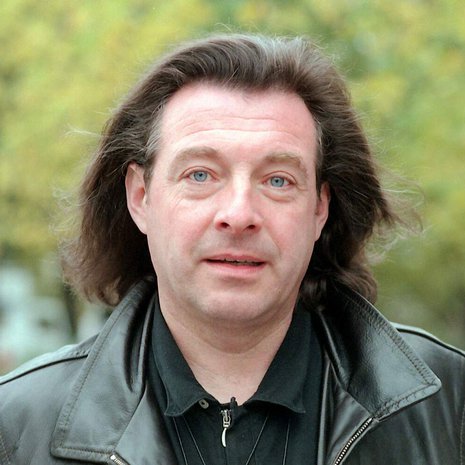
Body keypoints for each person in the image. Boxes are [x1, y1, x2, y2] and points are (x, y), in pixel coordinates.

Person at [0, 33, 463, 465]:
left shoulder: (447, 403)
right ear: (140, 197)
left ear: (320, 208)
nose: (239, 214)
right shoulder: (17, 426)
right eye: (200, 175)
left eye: (278, 180)